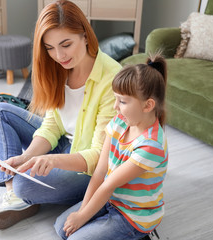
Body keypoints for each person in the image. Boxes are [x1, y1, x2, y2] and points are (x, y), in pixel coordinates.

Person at [0, 0, 122, 230]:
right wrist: (25, 158)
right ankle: (14, 196)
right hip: (62, 143)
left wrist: (52, 160)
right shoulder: (57, 68)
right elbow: (52, 126)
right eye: (49, 48)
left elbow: (99, 156)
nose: (58, 55)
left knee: (25, 186)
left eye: (66, 44)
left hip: (86, 164)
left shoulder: (112, 78)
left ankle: (23, 194)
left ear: (85, 35)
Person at [54, 53, 169, 240]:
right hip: (111, 200)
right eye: (116, 99)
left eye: (122, 101)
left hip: (132, 216)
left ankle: (139, 235)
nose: (115, 106)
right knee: (62, 228)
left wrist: (83, 217)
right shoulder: (120, 121)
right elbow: (100, 172)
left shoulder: (151, 146)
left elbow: (109, 184)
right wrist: (82, 213)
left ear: (148, 105)